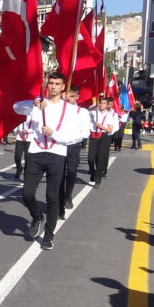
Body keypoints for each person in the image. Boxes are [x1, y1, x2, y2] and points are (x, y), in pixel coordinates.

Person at [13, 72, 84, 250]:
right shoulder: (38, 104)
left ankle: (49, 235)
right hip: (36, 152)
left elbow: (76, 136)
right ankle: (37, 216)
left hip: (56, 154)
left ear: (62, 87)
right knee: (27, 193)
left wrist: (54, 134)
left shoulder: (70, 110)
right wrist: (33, 103)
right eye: (50, 83)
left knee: (52, 197)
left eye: (57, 84)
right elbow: (15, 107)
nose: (52, 86)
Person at [59, 87, 90, 220]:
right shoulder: (59, 110)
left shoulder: (82, 112)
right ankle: (59, 201)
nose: (69, 98)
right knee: (58, 173)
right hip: (59, 145)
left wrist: (71, 139)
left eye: (72, 96)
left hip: (73, 146)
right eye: (67, 95)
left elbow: (85, 132)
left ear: (77, 97)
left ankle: (68, 195)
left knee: (71, 172)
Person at [13, 114, 34, 180]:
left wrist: (28, 131)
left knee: (27, 158)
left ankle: (26, 173)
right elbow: (16, 123)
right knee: (17, 157)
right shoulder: (20, 114)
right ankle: (19, 168)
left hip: (29, 138)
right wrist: (15, 129)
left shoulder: (34, 115)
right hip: (20, 137)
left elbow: (37, 127)